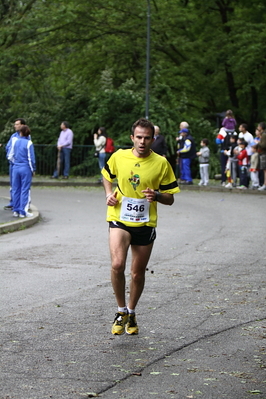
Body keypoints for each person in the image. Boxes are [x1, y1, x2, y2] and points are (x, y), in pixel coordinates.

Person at [101, 118, 180, 335]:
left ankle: (132, 310)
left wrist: (156, 195)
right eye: (139, 137)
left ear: (153, 139)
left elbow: (170, 198)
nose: (143, 142)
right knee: (117, 264)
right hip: (119, 217)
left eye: (147, 138)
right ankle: (120, 310)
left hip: (145, 222)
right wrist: (109, 194)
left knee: (137, 273)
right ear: (132, 138)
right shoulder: (119, 156)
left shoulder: (161, 163)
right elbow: (106, 175)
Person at [7, 125, 36, 217]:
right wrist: (33, 169)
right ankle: (23, 211)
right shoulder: (29, 143)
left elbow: (10, 155)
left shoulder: (15, 141)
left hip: (16, 167)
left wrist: (15, 163)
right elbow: (31, 158)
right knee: (25, 189)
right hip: (25, 168)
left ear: (21, 132)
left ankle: (16, 210)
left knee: (16, 189)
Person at [4, 118, 26, 210]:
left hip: (20, 163)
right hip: (12, 163)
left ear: (22, 125)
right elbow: (8, 147)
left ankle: (21, 203)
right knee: (13, 184)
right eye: (15, 124)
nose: (15, 126)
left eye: (17, 124)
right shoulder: (13, 136)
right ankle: (13, 202)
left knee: (21, 185)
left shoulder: (25, 136)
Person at [257, 122, 266, 190]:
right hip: (262, 153)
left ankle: (265, 184)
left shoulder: (264, 135)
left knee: (264, 169)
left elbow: (264, 145)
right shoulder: (262, 135)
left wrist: (258, 143)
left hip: (263, 153)